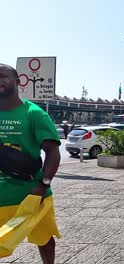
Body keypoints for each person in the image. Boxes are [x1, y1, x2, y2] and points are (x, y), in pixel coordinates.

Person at [0, 63, 61, 263]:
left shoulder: (34, 113)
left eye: (3, 76)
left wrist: (43, 185)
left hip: (30, 193)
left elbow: (52, 152)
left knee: (44, 238)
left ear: (18, 82)